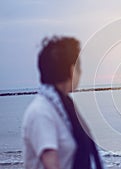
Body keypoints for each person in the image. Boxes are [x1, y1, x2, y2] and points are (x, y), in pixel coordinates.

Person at [22, 36, 105, 169]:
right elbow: (51, 163)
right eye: (79, 67)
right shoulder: (41, 112)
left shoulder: (64, 108)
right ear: (72, 70)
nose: (81, 72)